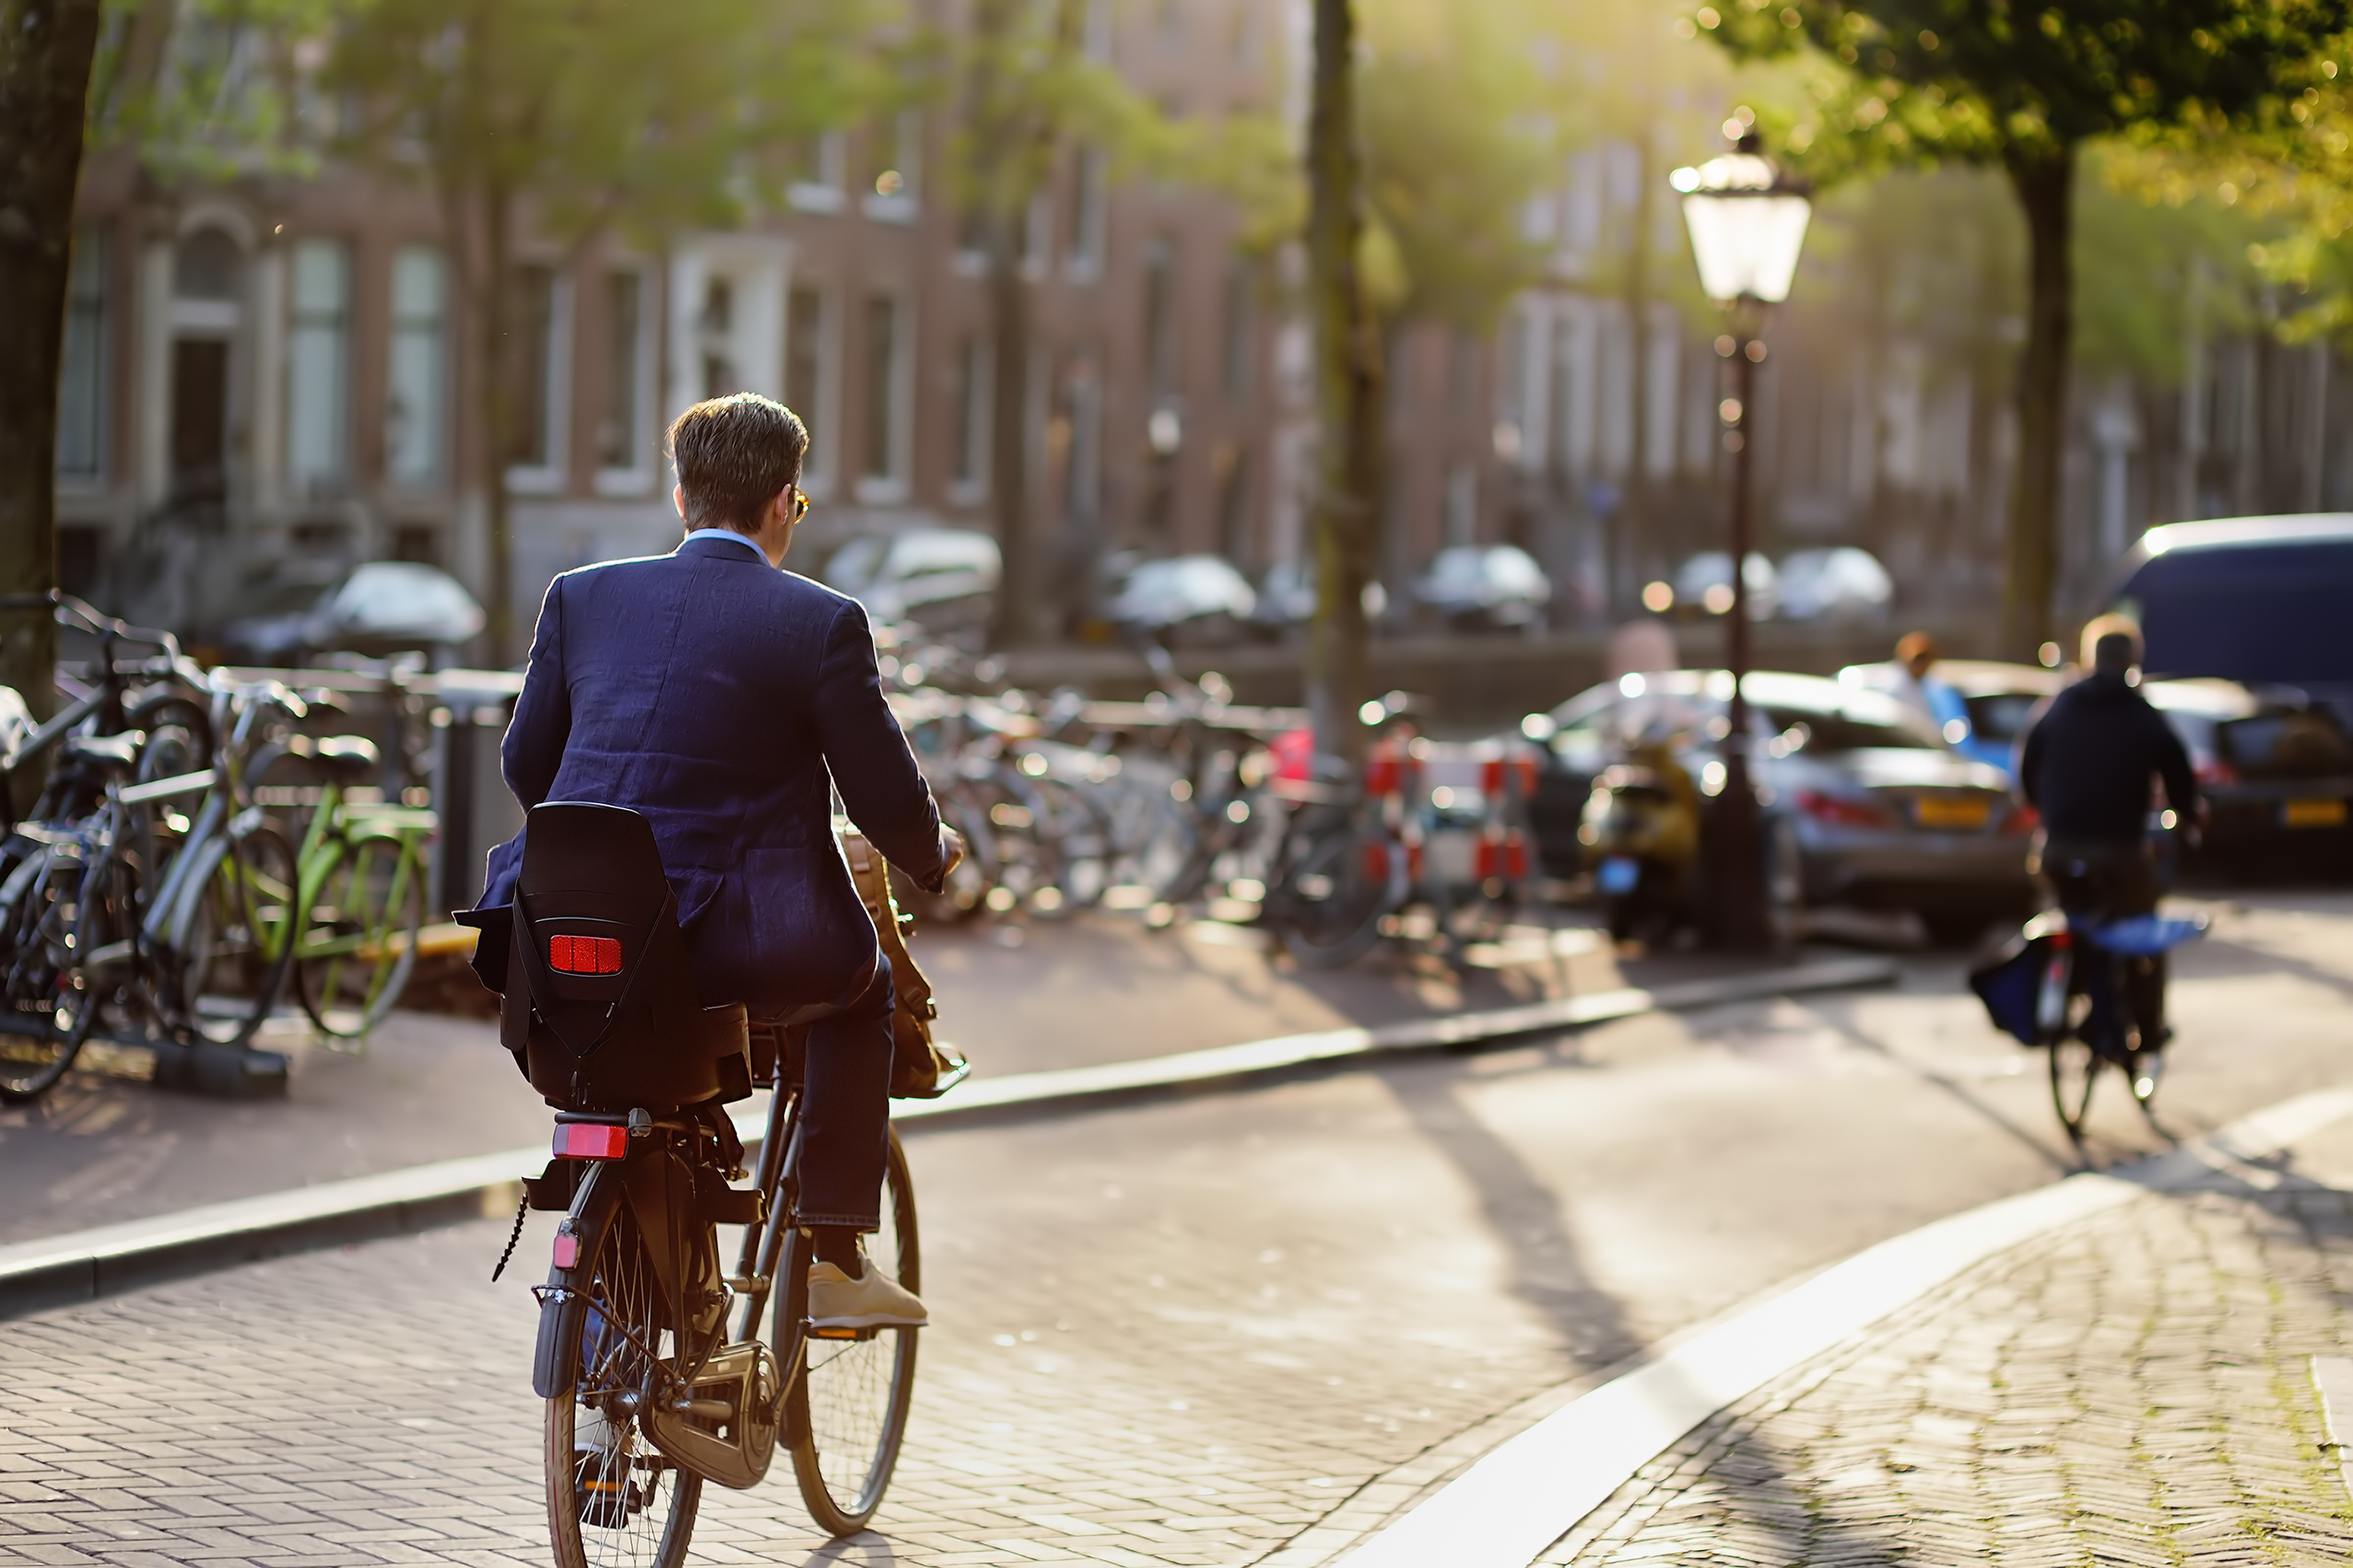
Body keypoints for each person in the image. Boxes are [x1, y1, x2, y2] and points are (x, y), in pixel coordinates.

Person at [477, 392, 959, 1330]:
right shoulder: (821, 622)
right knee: (858, 989)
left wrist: (602, 853)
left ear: (680, 495)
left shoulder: (580, 595)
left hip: (567, 921)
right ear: (784, 502)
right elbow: (883, 798)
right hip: (739, 937)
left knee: (631, 1025)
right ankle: (832, 1253)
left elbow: (525, 764)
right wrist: (935, 858)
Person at [2017, 613, 2198, 1051]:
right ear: (2133, 661)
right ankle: (2148, 1029)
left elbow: (2026, 770)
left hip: (2056, 851)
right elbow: (2179, 777)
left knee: (2073, 911)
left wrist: (2048, 815)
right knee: (2141, 927)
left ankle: (2074, 984)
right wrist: (2188, 822)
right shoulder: (2142, 713)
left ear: (2088, 658)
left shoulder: (2058, 706)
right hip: (2121, 855)